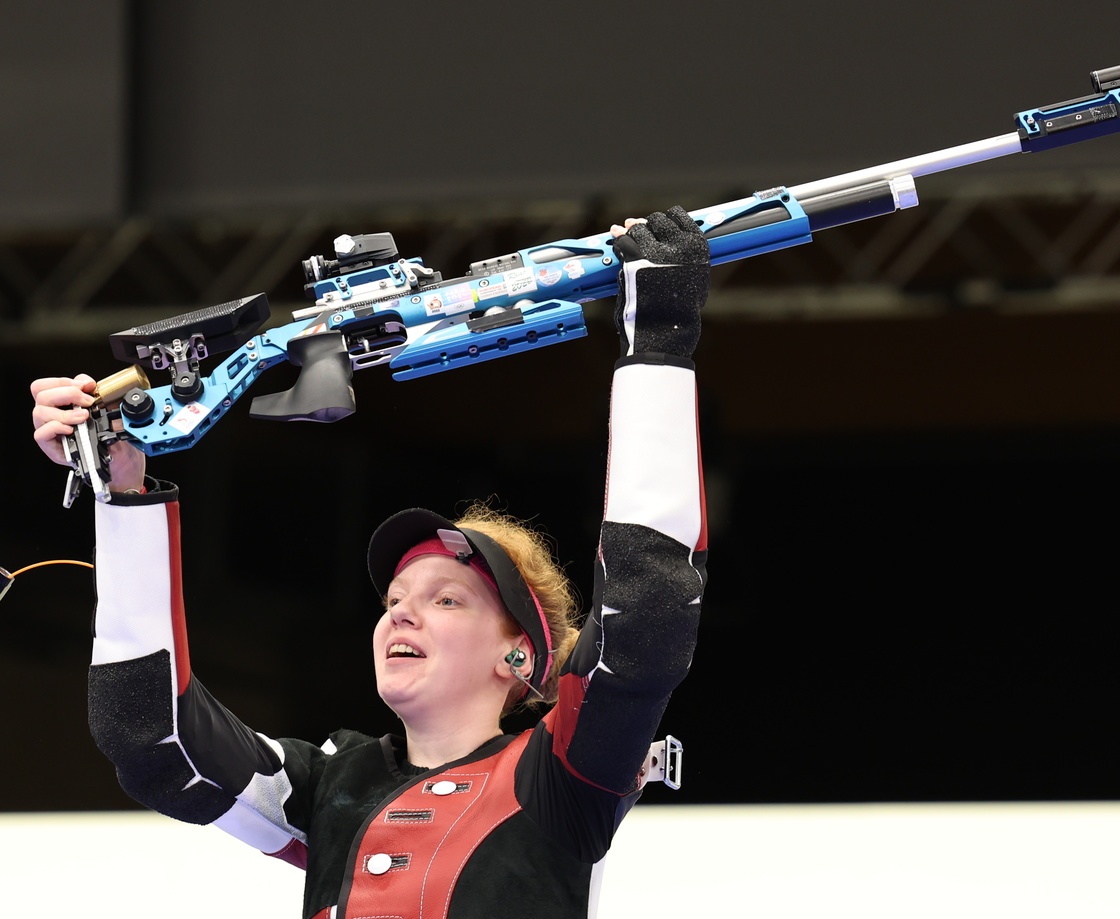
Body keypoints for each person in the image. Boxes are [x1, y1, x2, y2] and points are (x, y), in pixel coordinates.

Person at [29, 207, 710, 919]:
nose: (402, 613)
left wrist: (659, 345)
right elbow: (149, 735)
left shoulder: (562, 773)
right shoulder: (329, 787)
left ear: (519, 655)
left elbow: (647, 611)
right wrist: (122, 488)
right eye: (394, 600)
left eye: (447, 598)